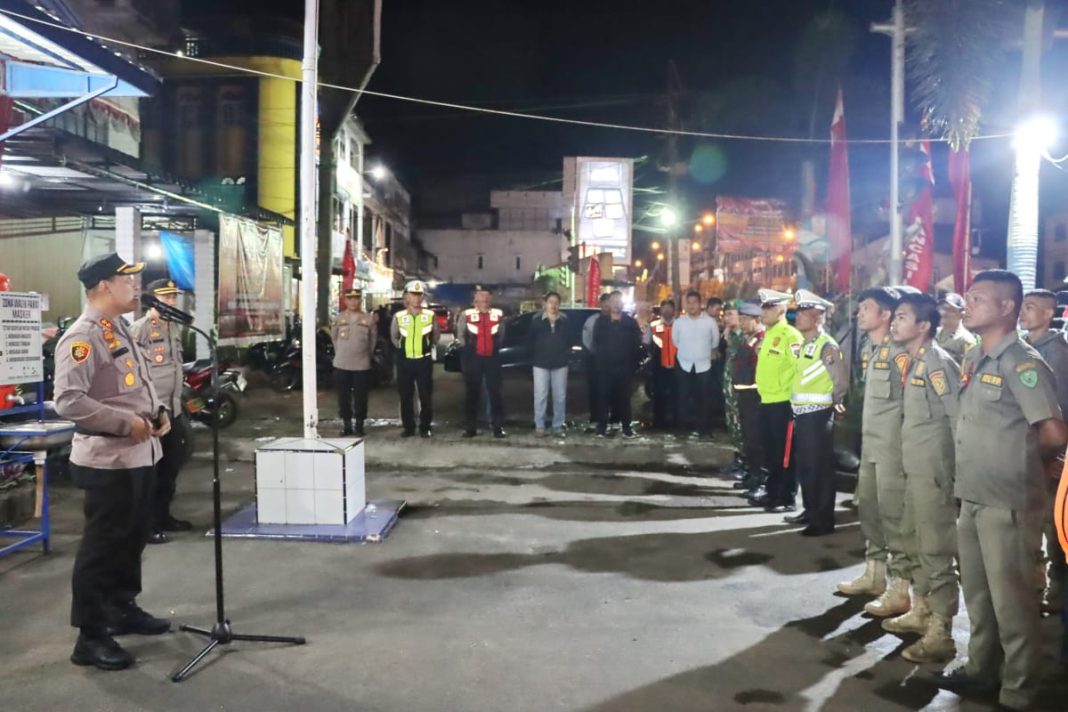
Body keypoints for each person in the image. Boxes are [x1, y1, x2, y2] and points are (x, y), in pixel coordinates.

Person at [934, 270, 1068, 712]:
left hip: (1008, 501)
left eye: (977, 299)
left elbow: (1051, 432)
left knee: (1013, 604)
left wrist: (1026, 464)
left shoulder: (1022, 363)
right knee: (980, 596)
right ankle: (981, 670)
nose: (967, 305)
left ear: (1007, 307)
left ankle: (1019, 690)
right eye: (967, 298)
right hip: (972, 496)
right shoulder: (975, 359)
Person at [54, 253, 172, 671]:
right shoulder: (82, 336)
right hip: (107, 460)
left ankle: (122, 608)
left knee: (131, 540)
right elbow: (68, 400)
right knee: (102, 549)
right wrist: (125, 423)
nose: (136, 288)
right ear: (104, 285)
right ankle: (90, 635)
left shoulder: (118, 328)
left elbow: (139, 384)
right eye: (128, 281)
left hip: (139, 456)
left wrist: (159, 412)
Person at [884, 293, 961, 663]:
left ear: (924, 326)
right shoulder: (915, 361)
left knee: (935, 549)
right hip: (915, 470)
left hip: (933, 472)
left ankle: (941, 631)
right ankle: (922, 610)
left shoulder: (937, 363)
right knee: (914, 541)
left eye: (901, 317)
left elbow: (957, 418)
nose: (894, 323)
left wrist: (957, 475)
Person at [837, 287, 914, 617]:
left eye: (866, 308)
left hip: (892, 449)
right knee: (868, 509)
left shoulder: (901, 352)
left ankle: (900, 588)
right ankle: (874, 574)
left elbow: (909, 405)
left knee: (893, 517)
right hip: (869, 444)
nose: (859, 313)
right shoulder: (868, 347)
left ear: (885, 315)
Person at [130, 279, 192, 545]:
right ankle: (145, 526)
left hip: (173, 410)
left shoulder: (173, 327)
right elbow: (131, 371)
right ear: (153, 300)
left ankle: (163, 515)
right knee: (150, 472)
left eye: (173, 297)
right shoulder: (140, 329)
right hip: (152, 413)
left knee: (170, 467)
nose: (171, 302)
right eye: (165, 298)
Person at [1021, 288, 1068, 614]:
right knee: (1030, 523)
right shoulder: (1025, 347)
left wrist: (1058, 455)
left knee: (1054, 526)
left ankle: (1058, 588)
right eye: (1023, 306)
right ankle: (1034, 584)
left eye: (1032, 307)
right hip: (1026, 450)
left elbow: (1061, 408)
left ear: (1048, 314)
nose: (1024, 312)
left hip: (1050, 454)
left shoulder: (1058, 353)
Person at [787, 290, 848, 536]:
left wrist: (835, 403)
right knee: (806, 467)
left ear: (817, 318)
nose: (798, 317)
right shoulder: (806, 344)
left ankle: (822, 520)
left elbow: (840, 381)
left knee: (819, 469)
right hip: (803, 414)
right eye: (799, 312)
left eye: (803, 313)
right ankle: (810, 511)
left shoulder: (827, 346)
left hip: (818, 415)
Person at [749, 289, 803, 513]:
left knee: (785, 454)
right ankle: (772, 493)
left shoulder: (791, 336)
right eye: (763, 307)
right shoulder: (770, 334)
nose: (764, 312)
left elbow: (800, 370)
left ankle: (786, 497)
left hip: (784, 404)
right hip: (767, 400)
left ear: (782, 309)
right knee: (771, 452)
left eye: (769, 307)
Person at [390, 280, 439, 437]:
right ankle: (408, 427)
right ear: (407, 297)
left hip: (423, 361)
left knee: (425, 395)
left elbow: (435, 337)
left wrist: (425, 348)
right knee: (406, 395)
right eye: (413, 294)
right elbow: (394, 337)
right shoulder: (399, 316)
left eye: (419, 295)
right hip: (405, 361)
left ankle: (425, 427)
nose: (417, 298)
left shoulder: (430, 316)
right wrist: (404, 350)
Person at [457, 286, 507, 438]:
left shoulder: (498, 314)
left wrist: (495, 348)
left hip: (492, 358)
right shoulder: (467, 315)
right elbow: (460, 335)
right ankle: (470, 428)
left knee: (495, 393)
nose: (484, 301)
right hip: (473, 358)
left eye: (486, 298)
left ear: (490, 299)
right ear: (475, 300)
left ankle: (498, 427)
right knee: (472, 393)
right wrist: (467, 352)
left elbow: (502, 335)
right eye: (481, 298)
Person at [592, 290, 642, 438]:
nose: (616, 305)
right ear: (609, 303)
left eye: (619, 302)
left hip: (624, 368)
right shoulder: (601, 322)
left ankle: (626, 427)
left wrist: (632, 363)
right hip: (605, 367)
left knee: (624, 399)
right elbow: (596, 342)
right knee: (604, 398)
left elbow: (636, 344)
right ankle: (601, 427)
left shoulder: (629, 322)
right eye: (613, 302)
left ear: (622, 304)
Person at [672, 290, 720, 438]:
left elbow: (715, 342)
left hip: (704, 366)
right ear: (686, 304)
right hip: (684, 364)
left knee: (704, 399)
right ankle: (682, 430)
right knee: (682, 398)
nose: (692, 305)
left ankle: (704, 430)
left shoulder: (710, 322)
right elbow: (675, 342)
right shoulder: (679, 322)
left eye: (695, 302)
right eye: (689, 302)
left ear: (700, 304)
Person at [331, 288, 377, 437]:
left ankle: (359, 425)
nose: (353, 301)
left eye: (356, 298)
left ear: (360, 300)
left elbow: (372, 342)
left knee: (361, 398)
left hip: (361, 365)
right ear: (345, 301)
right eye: (350, 299)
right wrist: (341, 353)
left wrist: (366, 355)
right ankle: (346, 425)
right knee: (343, 397)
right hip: (341, 364)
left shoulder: (368, 320)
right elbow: (334, 338)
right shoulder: (338, 318)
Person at [733, 301, 766, 494]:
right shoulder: (750, 339)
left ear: (757, 319)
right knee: (749, 438)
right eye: (741, 319)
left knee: (757, 439)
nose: (742, 323)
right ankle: (752, 474)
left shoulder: (761, 340)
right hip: (745, 395)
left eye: (746, 319)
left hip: (755, 396)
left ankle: (760, 478)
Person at [528, 291, 570, 437]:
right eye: (550, 302)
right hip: (540, 363)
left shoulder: (564, 320)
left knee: (560, 396)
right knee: (540, 395)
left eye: (556, 302)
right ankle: (540, 425)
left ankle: (558, 425)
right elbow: (531, 341)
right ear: (545, 304)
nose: (553, 305)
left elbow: (569, 340)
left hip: (560, 363)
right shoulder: (537, 320)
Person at [644, 298, 679, 430]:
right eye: (664, 308)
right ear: (661, 310)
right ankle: (658, 422)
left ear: (673, 310)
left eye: (669, 308)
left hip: (677, 364)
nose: (667, 311)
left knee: (676, 394)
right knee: (659, 394)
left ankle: (676, 422)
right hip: (658, 365)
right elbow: (646, 342)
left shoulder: (679, 325)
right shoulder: (653, 325)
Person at [721, 301, 747, 476]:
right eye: (726, 314)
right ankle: (738, 459)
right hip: (730, 389)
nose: (727, 317)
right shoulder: (731, 334)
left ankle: (746, 463)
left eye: (731, 313)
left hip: (741, 390)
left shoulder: (744, 336)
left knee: (742, 426)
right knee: (733, 425)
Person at [583, 293, 612, 432]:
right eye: (604, 303)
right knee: (595, 391)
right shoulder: (592, 320)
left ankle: (611, 419)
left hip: (613, 362)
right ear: (600, 304)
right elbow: (587, 339)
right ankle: (595, 418)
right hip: (595, 360)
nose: (607, 306)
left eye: (609, 303)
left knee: (611, 392)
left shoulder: (617, 319)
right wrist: (596, 353)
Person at [936, 292, 977, 363]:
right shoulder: (934, 333)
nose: (944, 313)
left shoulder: (966, 340)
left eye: (950, 310)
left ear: (961, 314)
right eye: (943, 308)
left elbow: (970, 368)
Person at [706, 296, 727, 427]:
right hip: (706, 360)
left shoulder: (719, 323)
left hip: (718, 360)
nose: (719, 312)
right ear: (709, 308)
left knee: (717, 387)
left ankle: (717, 412)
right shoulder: (704, 322)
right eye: (717, 309)